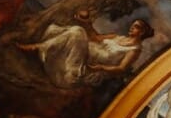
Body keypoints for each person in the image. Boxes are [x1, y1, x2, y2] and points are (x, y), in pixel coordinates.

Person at [19, 11, 154, 87]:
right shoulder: (116, 36)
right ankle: (38, 47)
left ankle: (38, 47)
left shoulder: (134, 50)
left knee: (77, 31)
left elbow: (121, 68)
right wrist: (87, 23)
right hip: (82, 52)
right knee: (78, 30)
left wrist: (101, 67)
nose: (131, 27)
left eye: (135, 26)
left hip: (86, 64)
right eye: (133, 24)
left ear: (141, 32)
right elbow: (94, 38)